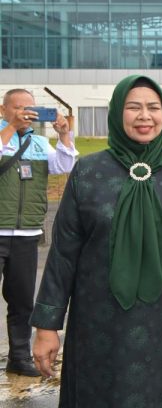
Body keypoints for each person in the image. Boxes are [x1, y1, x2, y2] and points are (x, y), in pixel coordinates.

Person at [30, 75, 162, 406]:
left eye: (154, 107)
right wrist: (46, 326)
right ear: (116, 112)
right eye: (134, 107)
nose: (145, 116)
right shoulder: (88, 172)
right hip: (99, 326)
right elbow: (64, 254)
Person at [0, 89, 77, 377]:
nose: (25, 113)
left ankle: (19, 357)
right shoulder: (3, 135)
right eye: (18, 108)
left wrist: (64, 135)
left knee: (21, 301)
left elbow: (65, 165)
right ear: (3, 109)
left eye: (30, 109)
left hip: (26, 234)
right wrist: (11, 127)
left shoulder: (39, 142)